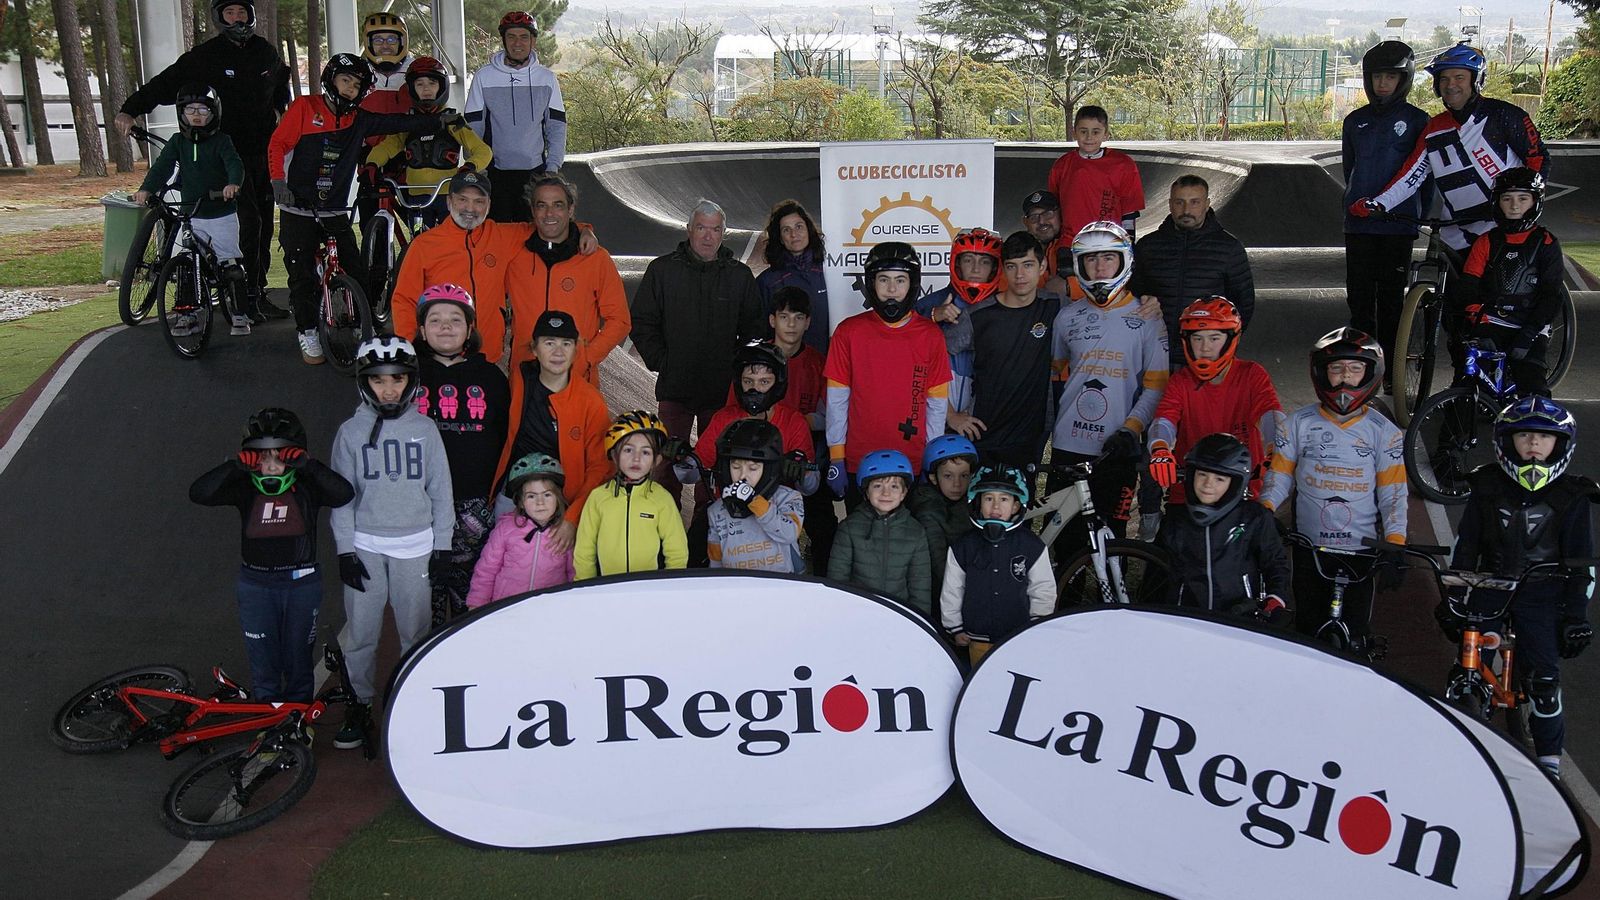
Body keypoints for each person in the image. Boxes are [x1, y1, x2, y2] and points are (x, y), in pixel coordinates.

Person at [1442, 397, 1594, 779]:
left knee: (1545, 679)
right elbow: (1468, 547)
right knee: (1468, 662)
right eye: (1524, 435)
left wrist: (1576, 617)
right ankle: (1464, 729)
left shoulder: (1573, 495)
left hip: (1545, 592)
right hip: (1492, 585)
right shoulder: (1487, 484)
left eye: (1544, 438)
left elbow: (1581, 564)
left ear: (1560, 445)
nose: (1533, 444)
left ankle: (1549, 762)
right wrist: (1455, 596)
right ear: (1506, 442)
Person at [116, 0, 291, 320]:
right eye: (230, 13)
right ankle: (236, 293)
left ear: (251, 16)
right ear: (219, 18)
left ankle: (254, 292)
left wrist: (282, 108)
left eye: (242, 13)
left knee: (263, 225)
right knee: (247, 223)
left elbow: (281, 83)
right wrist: (131, 108)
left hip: (263, 151)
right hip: (222, 155)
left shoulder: (265, 51)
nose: (237, 19)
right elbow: (166, 83)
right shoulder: (206, 56)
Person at [269, 54, 444, 365]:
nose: (349, 88)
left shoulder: (358, 119)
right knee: (300, 275)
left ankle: (364, 323)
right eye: (345, 81)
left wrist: (437, 120)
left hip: (334, 208)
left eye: (356, 85)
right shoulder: (305, 108)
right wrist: (278, 181)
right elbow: (278, 144)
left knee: (356, 266)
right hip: (297, 207)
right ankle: (307, 331)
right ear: (331, 80)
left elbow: (396, 123)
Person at [330, 335, 454, 749]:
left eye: (397, 379)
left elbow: (441, 491)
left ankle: (410, 702)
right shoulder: (350, 432)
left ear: (411, 381)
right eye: (379, 380)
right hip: (365, 544)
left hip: (415, 546)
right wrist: (345, 549)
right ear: (365, 383)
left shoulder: (426, 428)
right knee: (362, 632)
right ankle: (359, 703)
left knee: (414, 632)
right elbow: (342, 496)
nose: (389, 388)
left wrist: (443, 545)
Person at [189, 408, 354, 702]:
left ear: (295, 455)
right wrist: (235, 466)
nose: (271, 463)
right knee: (263, 664)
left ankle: (297, 725)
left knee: (298, 660)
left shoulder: (307, 486)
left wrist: (309, 465)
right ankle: (268, 727)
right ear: (251, 457)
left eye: (281, 455)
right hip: (256, 587)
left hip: (301, 586)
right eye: (262, 455)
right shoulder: (243, 488)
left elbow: (344, 494)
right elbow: (199, 493)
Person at [1261, 329, 1407, 646]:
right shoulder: (1296, 423)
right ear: (1321, 373)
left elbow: (1393, 494)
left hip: (1361, 550)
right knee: (1306, 630)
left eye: (1354, 370)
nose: (1344, 379)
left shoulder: (1385, 432)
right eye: (1336, 368)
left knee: (1355, 635)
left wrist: (1396, 544)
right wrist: (1265, 512)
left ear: (1371, 374)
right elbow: (1280, 475)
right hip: (1308, 547)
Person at [1353, 42, 1550, 256]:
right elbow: (1411, 176)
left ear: (1476, 81)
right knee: (1455, 289)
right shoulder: (1433, 128)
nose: (1450, 85)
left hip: (1504, 232)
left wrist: (1526, 205)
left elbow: (1538, 159)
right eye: (1444, 79)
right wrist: (1379, 203)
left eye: (1459, 78)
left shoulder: (1506, 115)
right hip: (1455, 236)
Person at [631, 199, 767, 504]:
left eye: (715, 229)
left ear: (723, 233)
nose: (708, 236)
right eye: (702, 228)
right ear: (689, 230)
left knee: (715, 464)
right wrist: (662, 361)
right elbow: (641, 321)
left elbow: (755, 330)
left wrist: (736, 371)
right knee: (666, 464)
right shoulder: (663, 270)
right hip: (675, 388)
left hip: (720, 392)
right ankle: (665, 534)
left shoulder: (739, 276)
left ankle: (705, 535)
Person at [1050, 221, 1169, 549]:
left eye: (1108, 258)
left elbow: (1156, 387)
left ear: (1124, 261)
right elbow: (1053, 378)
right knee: (1062, 538)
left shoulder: (1148, 316)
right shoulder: (1067, 317)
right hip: (1067, 444)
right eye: (1090, 259)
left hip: (1117, 448)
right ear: (1079, 264)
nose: (1100, 267)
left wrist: (1130, 430)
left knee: (1112, 537)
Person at [824, 242, 953, 508]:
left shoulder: (931, 335)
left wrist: (931, 458)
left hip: (913, 462)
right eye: (884, 280)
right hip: (858, 459)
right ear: (871, 284)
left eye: (900, 280)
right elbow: (836, 400)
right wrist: (837, 455)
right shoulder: (848, 332)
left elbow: (936, 405)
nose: (892, 289)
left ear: (913, 284)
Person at [413, 284, 510, 627]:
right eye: (435, 319)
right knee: (426, 590)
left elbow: (506, 436)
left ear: (470, 329)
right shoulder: (407, 375)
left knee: (470, 592)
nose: (445, 326)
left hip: (473, 502)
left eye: (456, 319)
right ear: (422, 330)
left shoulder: (491, 378)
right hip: (420, 503)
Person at [131, 83, 252, 337]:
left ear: (214, 113)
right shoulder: (178, 142)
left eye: (203, 110)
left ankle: (240, 314)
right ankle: (188, 315)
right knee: (187, 265)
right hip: (192, 214)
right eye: (190, 110)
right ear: (181, 114)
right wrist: (147, 189)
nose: (196, 115)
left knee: (230, 265)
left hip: (221, 215)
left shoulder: (222, 141)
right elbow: (162, 167)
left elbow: (234, 164)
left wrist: (232, 185)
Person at [1342, 41, 1431, 374]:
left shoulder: (1419, 120)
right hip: (1359, 225)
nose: (1383, 84)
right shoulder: (1353, 122)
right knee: (1360, 302)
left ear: (1403, 79)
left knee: (1392, 303)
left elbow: (1425, 176)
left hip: (1397, 225)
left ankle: (1392, 372)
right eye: (1377, 76)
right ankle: (1362, 369)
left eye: (1391, 77)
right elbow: (1350, 170)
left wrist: (1414, 213)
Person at [1147, 297, 1283, 512]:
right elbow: (1165, 419)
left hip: (1243, 489)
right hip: (1189, 491)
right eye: (1197, 338)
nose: (1205, 348)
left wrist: (1275, 449)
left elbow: (1270, 414)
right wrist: (1160, 448)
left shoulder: (1252, 374)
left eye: (1214, 338)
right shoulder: (1181, 380)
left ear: (1231, 339)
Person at [497, 310, 613, 542]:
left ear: (576, 349)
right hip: (512, 495)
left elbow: (600, 468)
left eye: (566, 343)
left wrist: (573, 518)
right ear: (535, 347)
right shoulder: (519, 378)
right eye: (549, 343)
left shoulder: (590, 401)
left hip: (560, 506)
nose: (558, 352)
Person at [1151, 434, 1290, 621]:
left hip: (1239, 618)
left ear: (1235, 483)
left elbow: (1275, 562)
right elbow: (1156, 573)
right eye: (1202, 475)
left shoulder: (1253, 518)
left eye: (1219, 479)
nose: (1208, 484)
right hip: (1183, 619)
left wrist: (1276, 598)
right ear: (1190, 475)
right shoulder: (1175, 520)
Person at [506, 172, 630, 383]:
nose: (549, 213)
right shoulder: (513, 252)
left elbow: (620, 320)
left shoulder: (595, 258)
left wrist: (587, 357)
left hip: (578, 379)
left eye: (558, 205)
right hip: (524, 380)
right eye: (541, 205)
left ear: (570, 209)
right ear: (533, 210)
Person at [1458, 167, 1567, 397]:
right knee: (1465, 382)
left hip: (1531, 325)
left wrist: (1528, 335)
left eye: (1523, 198)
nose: (1514, 205)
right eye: (1507, 198)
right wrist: (1478, 323)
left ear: (1535, 201)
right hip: (1492, 320)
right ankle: (1456, 430)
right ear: (1497, 202)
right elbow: (1468, 286)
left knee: (1532, 385)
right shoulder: (1485, 242)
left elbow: (1551, 296)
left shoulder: (1547, 243)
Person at [1129, 175, 1256, 370]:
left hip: (1205, 359)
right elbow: (1132, 295)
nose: (1186, 210)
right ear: (1170, 204)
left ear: (1207, 204)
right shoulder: (1148, 246)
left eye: (1194, 202)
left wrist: (1220, 346)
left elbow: (1243, 305)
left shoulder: (1229, 248)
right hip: (1153, 356)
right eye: (1179, 202)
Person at [963, 231, 1064, 468]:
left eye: (1027, 265)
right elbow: (931, 357)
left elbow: (1099, 312)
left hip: (1031, 436)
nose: (1019, 275)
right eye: (1012, 266)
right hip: (982, 434)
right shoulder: (978, 315)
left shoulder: (1055, 306)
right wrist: (951, 415)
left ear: (1042, 266)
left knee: (1025, 503)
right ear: (1003, 269)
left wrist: (1146, 302)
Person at [940, 465, 1055, 666]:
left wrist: (1039, 622)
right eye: (988, 499)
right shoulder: (964, 546)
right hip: (977, 638)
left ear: (1016, 506)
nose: (995, 507)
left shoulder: (1031, 546)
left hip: (1018, 636)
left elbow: (1043, 588)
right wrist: (954, 626)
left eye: (1004, 499)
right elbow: (952, 589)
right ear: (977, 502)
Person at [364, 57, 492, 228]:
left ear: (442, 87)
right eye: (420, 84)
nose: (426, 89)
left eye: (432, 83)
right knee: (418, 242)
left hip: (447, 195)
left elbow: (483, 151)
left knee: (451, 242)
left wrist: (469, 167)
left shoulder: (453, 122)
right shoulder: (408, 123)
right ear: (411, 89)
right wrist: (371, 164)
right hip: (414, 197)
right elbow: (386, 148)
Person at [465, 10, 567, 222]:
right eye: (511, 36)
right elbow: (473, 127)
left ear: (533, 41)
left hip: (536, 174)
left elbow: (556, 126)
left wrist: (553, 168)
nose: (517, 43)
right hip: (495, 173)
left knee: (533, 236)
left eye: (524, 37)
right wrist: (475, 164)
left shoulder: (546, 79)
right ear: (503, 40)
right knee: (498, 237)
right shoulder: (484, 77)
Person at [574, 411, 689, 578]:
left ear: (656, 460)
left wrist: (669, 589)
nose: (636, 459)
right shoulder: (598, 498)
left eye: (645, 452)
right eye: (628, 450)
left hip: (647, 593)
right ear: (614, 454)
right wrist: (585, 588)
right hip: (606, 591)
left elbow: (677, 551)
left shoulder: (661, 499)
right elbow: (584, 551)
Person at [768, 286, 835, 574]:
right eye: (784, 317)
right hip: (762, 463)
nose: (791, 324)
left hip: (805, 461)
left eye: (798, 317)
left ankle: (825, 585)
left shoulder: (818, 363)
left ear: (808, 322)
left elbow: (830, 415)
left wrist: (805, 422)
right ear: (772, 320)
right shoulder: (755, 361)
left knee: (824, 529)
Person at [828, 450, 933, 620]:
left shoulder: (915, 532)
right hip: (856, 614)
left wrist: (919, 620)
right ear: (866, 491)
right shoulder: (849, 528)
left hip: (899, 616)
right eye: (877, 486)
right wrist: (840, 615)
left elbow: (920, 586)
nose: (886, 493)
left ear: (904, 493)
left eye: (894, 486)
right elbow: (837, 579)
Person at [466, 452, 575, 608]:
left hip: (549, 610)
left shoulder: (564, 532)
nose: (540, 502)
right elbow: (486, 570)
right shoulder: (506, 528)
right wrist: (476, 604)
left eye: (547, 495)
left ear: (558, 498)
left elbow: (573, 573)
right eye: (531, 496)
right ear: (521, 502)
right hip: (506, 608)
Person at [916, 228, 1003, 419]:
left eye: (985, 261)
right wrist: (932, 316)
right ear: (957, 263)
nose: (976, 269)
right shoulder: (929, 304)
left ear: (995, 267)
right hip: (933, 414)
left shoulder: (1006, 306)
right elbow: (900, 343)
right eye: (968, 260)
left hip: (986, 414)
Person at [706, 419, 806, 572]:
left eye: (753, 468)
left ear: (768, 469)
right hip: (737, 589)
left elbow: (788, 534)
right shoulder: (716, 510)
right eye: (736, 467)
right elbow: (715, 562)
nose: (742, 476)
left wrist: (755, 502)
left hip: (781, 587)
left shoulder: (788, 497)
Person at [1047, 104, 1144, 240]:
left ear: (1106, 135)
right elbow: (1053, 208)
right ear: (1074, 133)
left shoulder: (1123, 165)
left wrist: (1129, 241)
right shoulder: (1062, 165)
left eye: (1096, 132)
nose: (1089, 137)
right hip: (1070, 242)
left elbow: (1129, 209)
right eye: (1083, 131)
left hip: (1109, 241)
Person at [755, 199, 830, 354]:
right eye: (786, 230)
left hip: (827, 366)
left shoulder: (830, 272)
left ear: (809, 230)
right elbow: (759, 331)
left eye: (799, 227)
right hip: (786, 367)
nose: (794, 234)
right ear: (780, 239)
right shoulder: (768, 282)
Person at [911, 433, 979, 593]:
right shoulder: (928, 512)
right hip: (945, 592)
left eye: (964, 475)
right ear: (933, 478)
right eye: (948, 476)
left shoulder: (970, 503)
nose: (957, 484)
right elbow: (939, 564)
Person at [358, 12, 415, 115]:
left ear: (402, 42)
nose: (385, 45)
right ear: (368, 43)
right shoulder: (357, 73)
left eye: (391, 39)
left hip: (409, 130)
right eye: (378, 40)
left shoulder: (417, 71)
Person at [1020, 190, 1067, 292]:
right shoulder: (1018, 252)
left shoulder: (1076, 245)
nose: (1041, 221)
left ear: (1060, 214)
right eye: (1034, 217)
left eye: (1048, 214)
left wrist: (1069, 288)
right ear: (1025, 222)